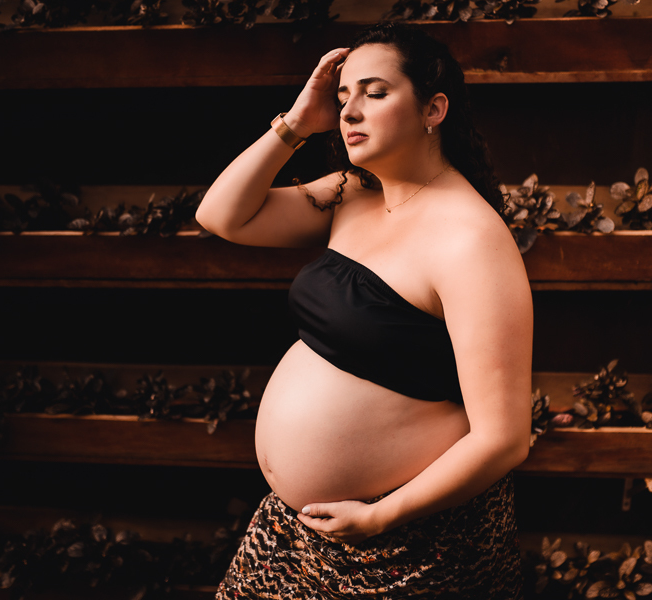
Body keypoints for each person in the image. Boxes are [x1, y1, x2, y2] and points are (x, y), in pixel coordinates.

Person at [196, 21, 533, 600]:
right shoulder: (351, 193)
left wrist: (381, 516)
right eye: (343, 96)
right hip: (295, 531)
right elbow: (221, 216)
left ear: (433, 109)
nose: (350, 111)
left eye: (375, 93)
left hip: (408, 541)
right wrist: (296, 124)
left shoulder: (470, 239)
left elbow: (504, 438)